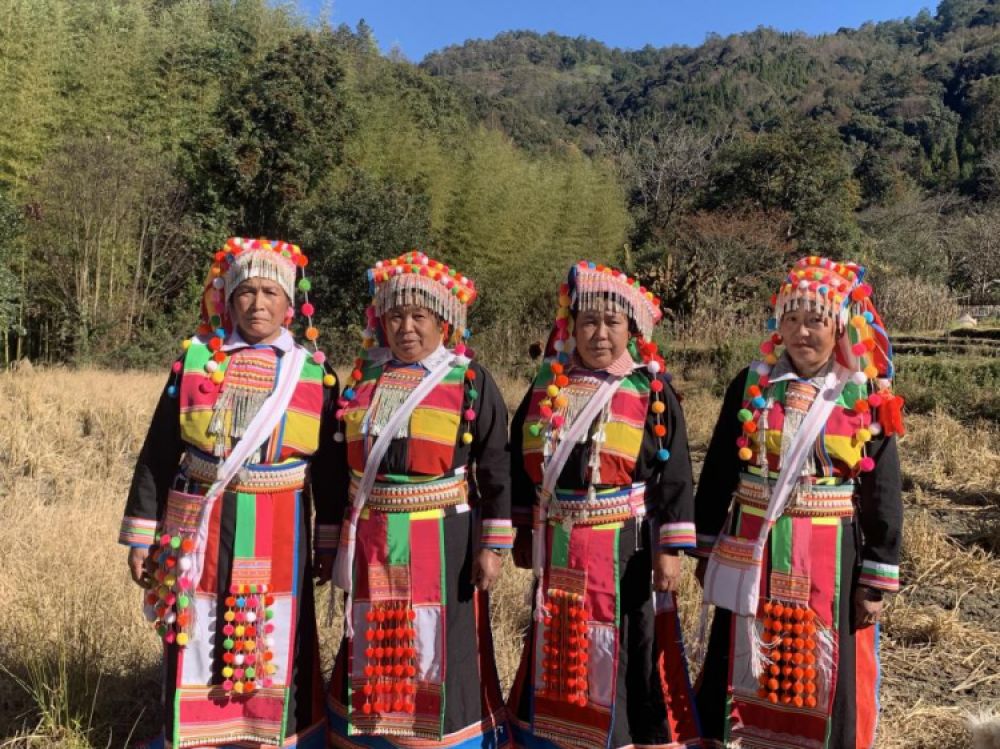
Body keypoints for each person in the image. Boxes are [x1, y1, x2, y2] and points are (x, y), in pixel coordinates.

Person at [119, 237, 340, 748]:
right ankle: (198, 735)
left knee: (275, 629)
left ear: (290, 303)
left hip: (281, 524)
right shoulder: (195, 361)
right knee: (198, 624)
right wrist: (141, 536)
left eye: (270, 292)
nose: (258, 304)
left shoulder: (313, 371)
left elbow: (330, 472)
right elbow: (158, 452)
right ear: (228, 298)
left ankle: (275, 736)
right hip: (200, 524)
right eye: (246, 292)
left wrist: (328, 541)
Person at [693, 256, 904, 749]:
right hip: (753, 548)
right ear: (778, 325)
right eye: (791, 319)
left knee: (821, 668)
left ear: (840, 326)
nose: (802, 332)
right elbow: (720, 469)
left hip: (831, 553)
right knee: (742, 655)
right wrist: (704, 547)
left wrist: (875, 575)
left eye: (816, 320)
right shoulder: (752, 385)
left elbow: (882, 490)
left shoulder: (863, 394)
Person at [507, 261, 702, 749]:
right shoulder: (548, 386)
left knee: (629, 645)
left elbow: (674, 474)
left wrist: (670, 550)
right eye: (588, 322)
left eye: (612, 323)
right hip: (558, 541)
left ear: (631, 330)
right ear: (571, 327)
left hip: (626, 549)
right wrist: (523, 529)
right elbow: (518, 461)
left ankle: (625, 737)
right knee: (561, 639)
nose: (599, 334)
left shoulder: (648, 389)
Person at [324, 250, 512, 749]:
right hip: (373, 535)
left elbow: (496, 465)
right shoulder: (364, 379)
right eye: (395, 316)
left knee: (438, 639)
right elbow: (339, 465)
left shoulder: (468, 379)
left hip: (444, 538)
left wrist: (493, 546)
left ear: (443, 322)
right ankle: (370, 735)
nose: (406, 328)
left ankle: (444, 738)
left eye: (419, 316)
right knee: (373, 631)